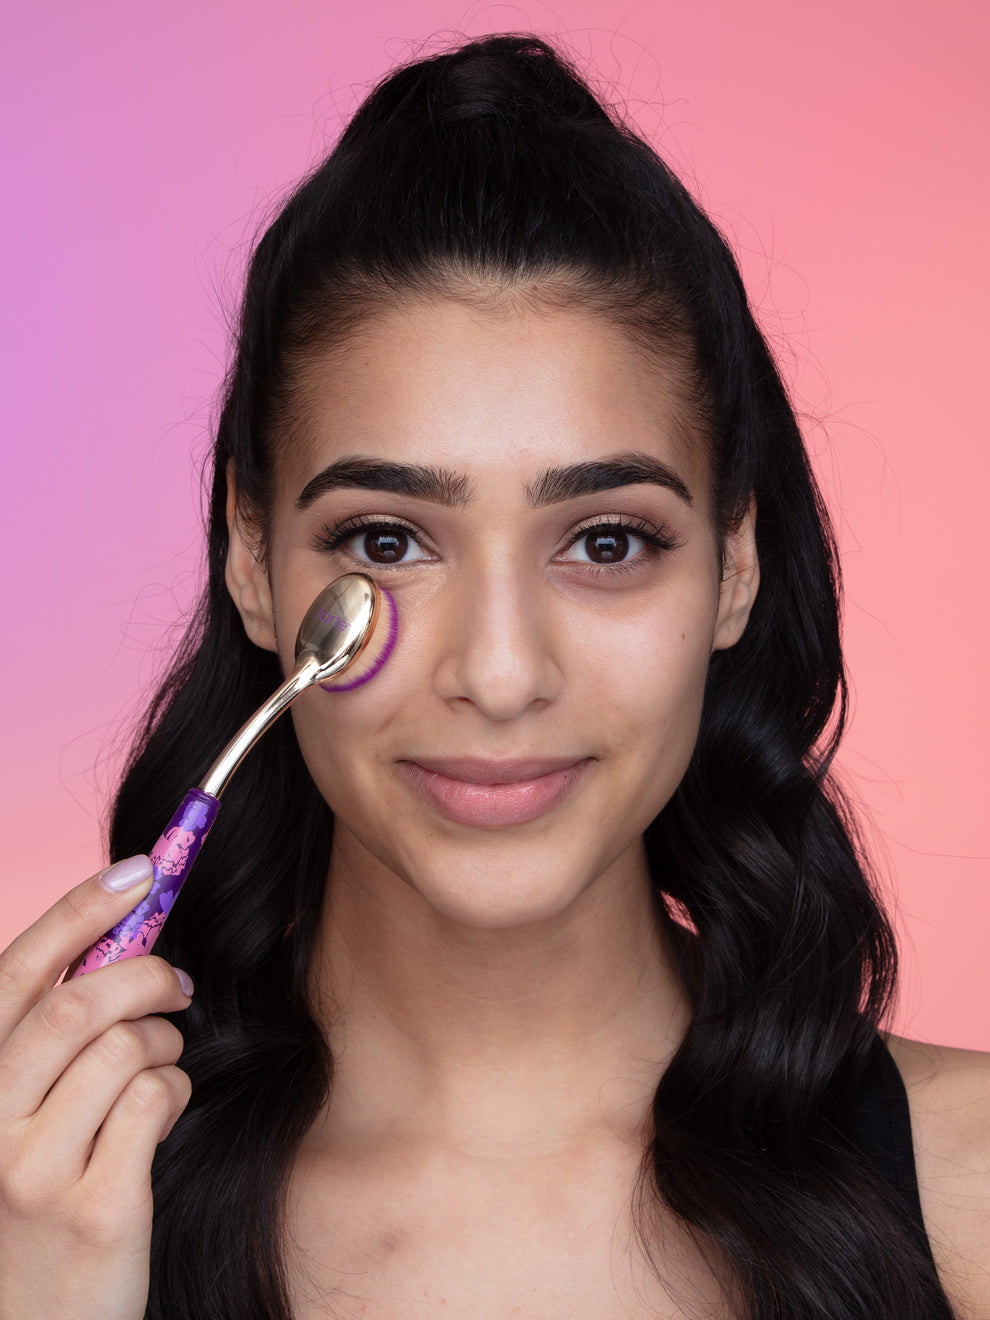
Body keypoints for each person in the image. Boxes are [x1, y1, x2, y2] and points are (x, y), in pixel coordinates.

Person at [0, 33, 986, 1320]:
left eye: (607, 541)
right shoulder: (51, 1207)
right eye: (389, 541)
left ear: (735, 565)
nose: (502, 674)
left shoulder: (968, 1187)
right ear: (255, 559)